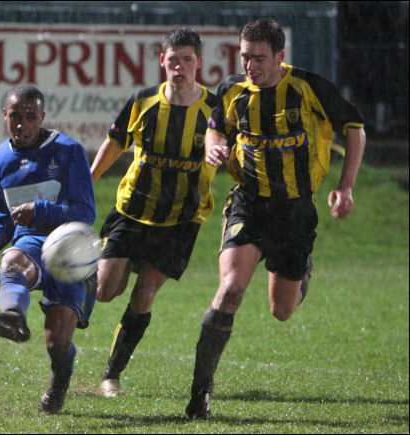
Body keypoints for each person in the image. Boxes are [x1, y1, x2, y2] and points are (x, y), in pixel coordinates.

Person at [185, 18, 366, 419]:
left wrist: (347, 185)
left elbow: (355, 129)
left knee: (281, 310)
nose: (251, 65)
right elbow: (216, 128)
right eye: (245, 56)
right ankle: (201, 393)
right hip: (249, 202)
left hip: (295, 209)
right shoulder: (233, 90)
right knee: (230, 289)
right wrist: (213, 149)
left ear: (281, 57)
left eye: (259, 58)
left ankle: (301, 270)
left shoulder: (309, 87)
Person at [0, 85, 97, 415]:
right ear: (5, 116)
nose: (22, 124)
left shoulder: (69, 151)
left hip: (69, 248)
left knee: (57, 344)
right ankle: (13, 317)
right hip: (31, 243)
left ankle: (59, 382)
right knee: (12, 258)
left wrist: (40, 209)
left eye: (30, 117)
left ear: (42, 117)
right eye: (15, 116)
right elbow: (5, 220)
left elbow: (85, 213)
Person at [90, 27, 219, 398]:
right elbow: (115, 142)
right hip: (133, 209)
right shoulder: (143, 101)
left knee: (144, 294)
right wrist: (88, 181)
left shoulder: (214, 110)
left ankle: (110, 375)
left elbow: (231, 144)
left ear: (199, 63)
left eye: (187, 60)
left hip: (181, 219)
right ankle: (68, 285)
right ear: (162, 61)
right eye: (173, 60)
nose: (179, 68)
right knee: (104, 290)